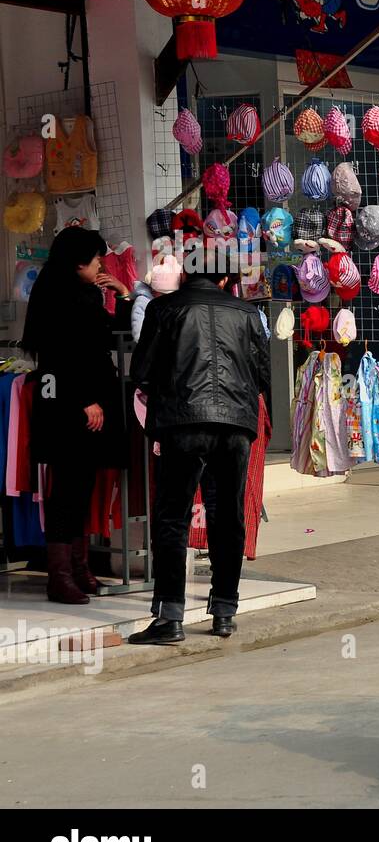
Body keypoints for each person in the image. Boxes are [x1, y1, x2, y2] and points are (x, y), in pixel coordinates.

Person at [128, 267, 272, 643]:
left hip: (182, 422)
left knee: (171, 517)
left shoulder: (163, 310)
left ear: (185, 276)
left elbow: (140, 371)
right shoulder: (247, 313)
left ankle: (169, 618)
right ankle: (224, 611)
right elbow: (262, 374)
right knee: (228, 516)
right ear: (225, 279)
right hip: (235, 424)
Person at [20, 227, 131, 604]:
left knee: (82, 487)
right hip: (70, 408)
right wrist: (85, 400)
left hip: (84, 405)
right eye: (97, 258)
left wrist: (124, 293)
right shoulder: (58, 297)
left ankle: (79, 568)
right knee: (67, 489)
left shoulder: (83, 293)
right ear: (79, 261)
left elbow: (104, 336)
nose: (101, 263)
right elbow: (59, 357)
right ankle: (61, 575)